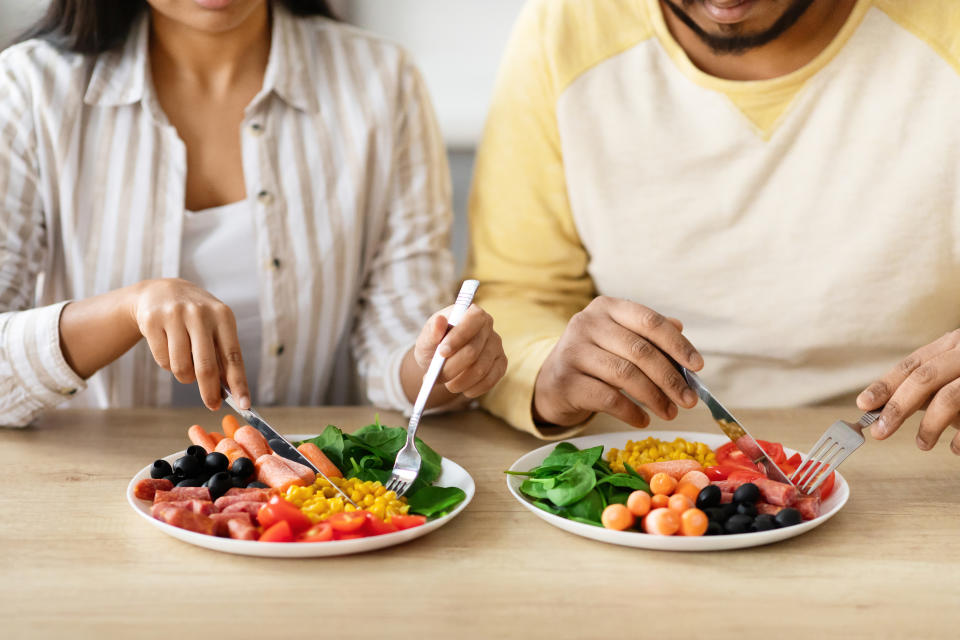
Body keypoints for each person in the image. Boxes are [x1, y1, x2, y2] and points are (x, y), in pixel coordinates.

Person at [468, 0, 960, 455]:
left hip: (916, 451)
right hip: (637, 448)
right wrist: (544, 371)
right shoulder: (565, 29)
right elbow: (515, 294)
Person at [0, 0, 506, 427]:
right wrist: (128, 309)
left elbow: (397, 340)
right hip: (89, 491)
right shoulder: (28, 90)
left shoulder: (383, 82)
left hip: (308, 508)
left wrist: (443, 368)